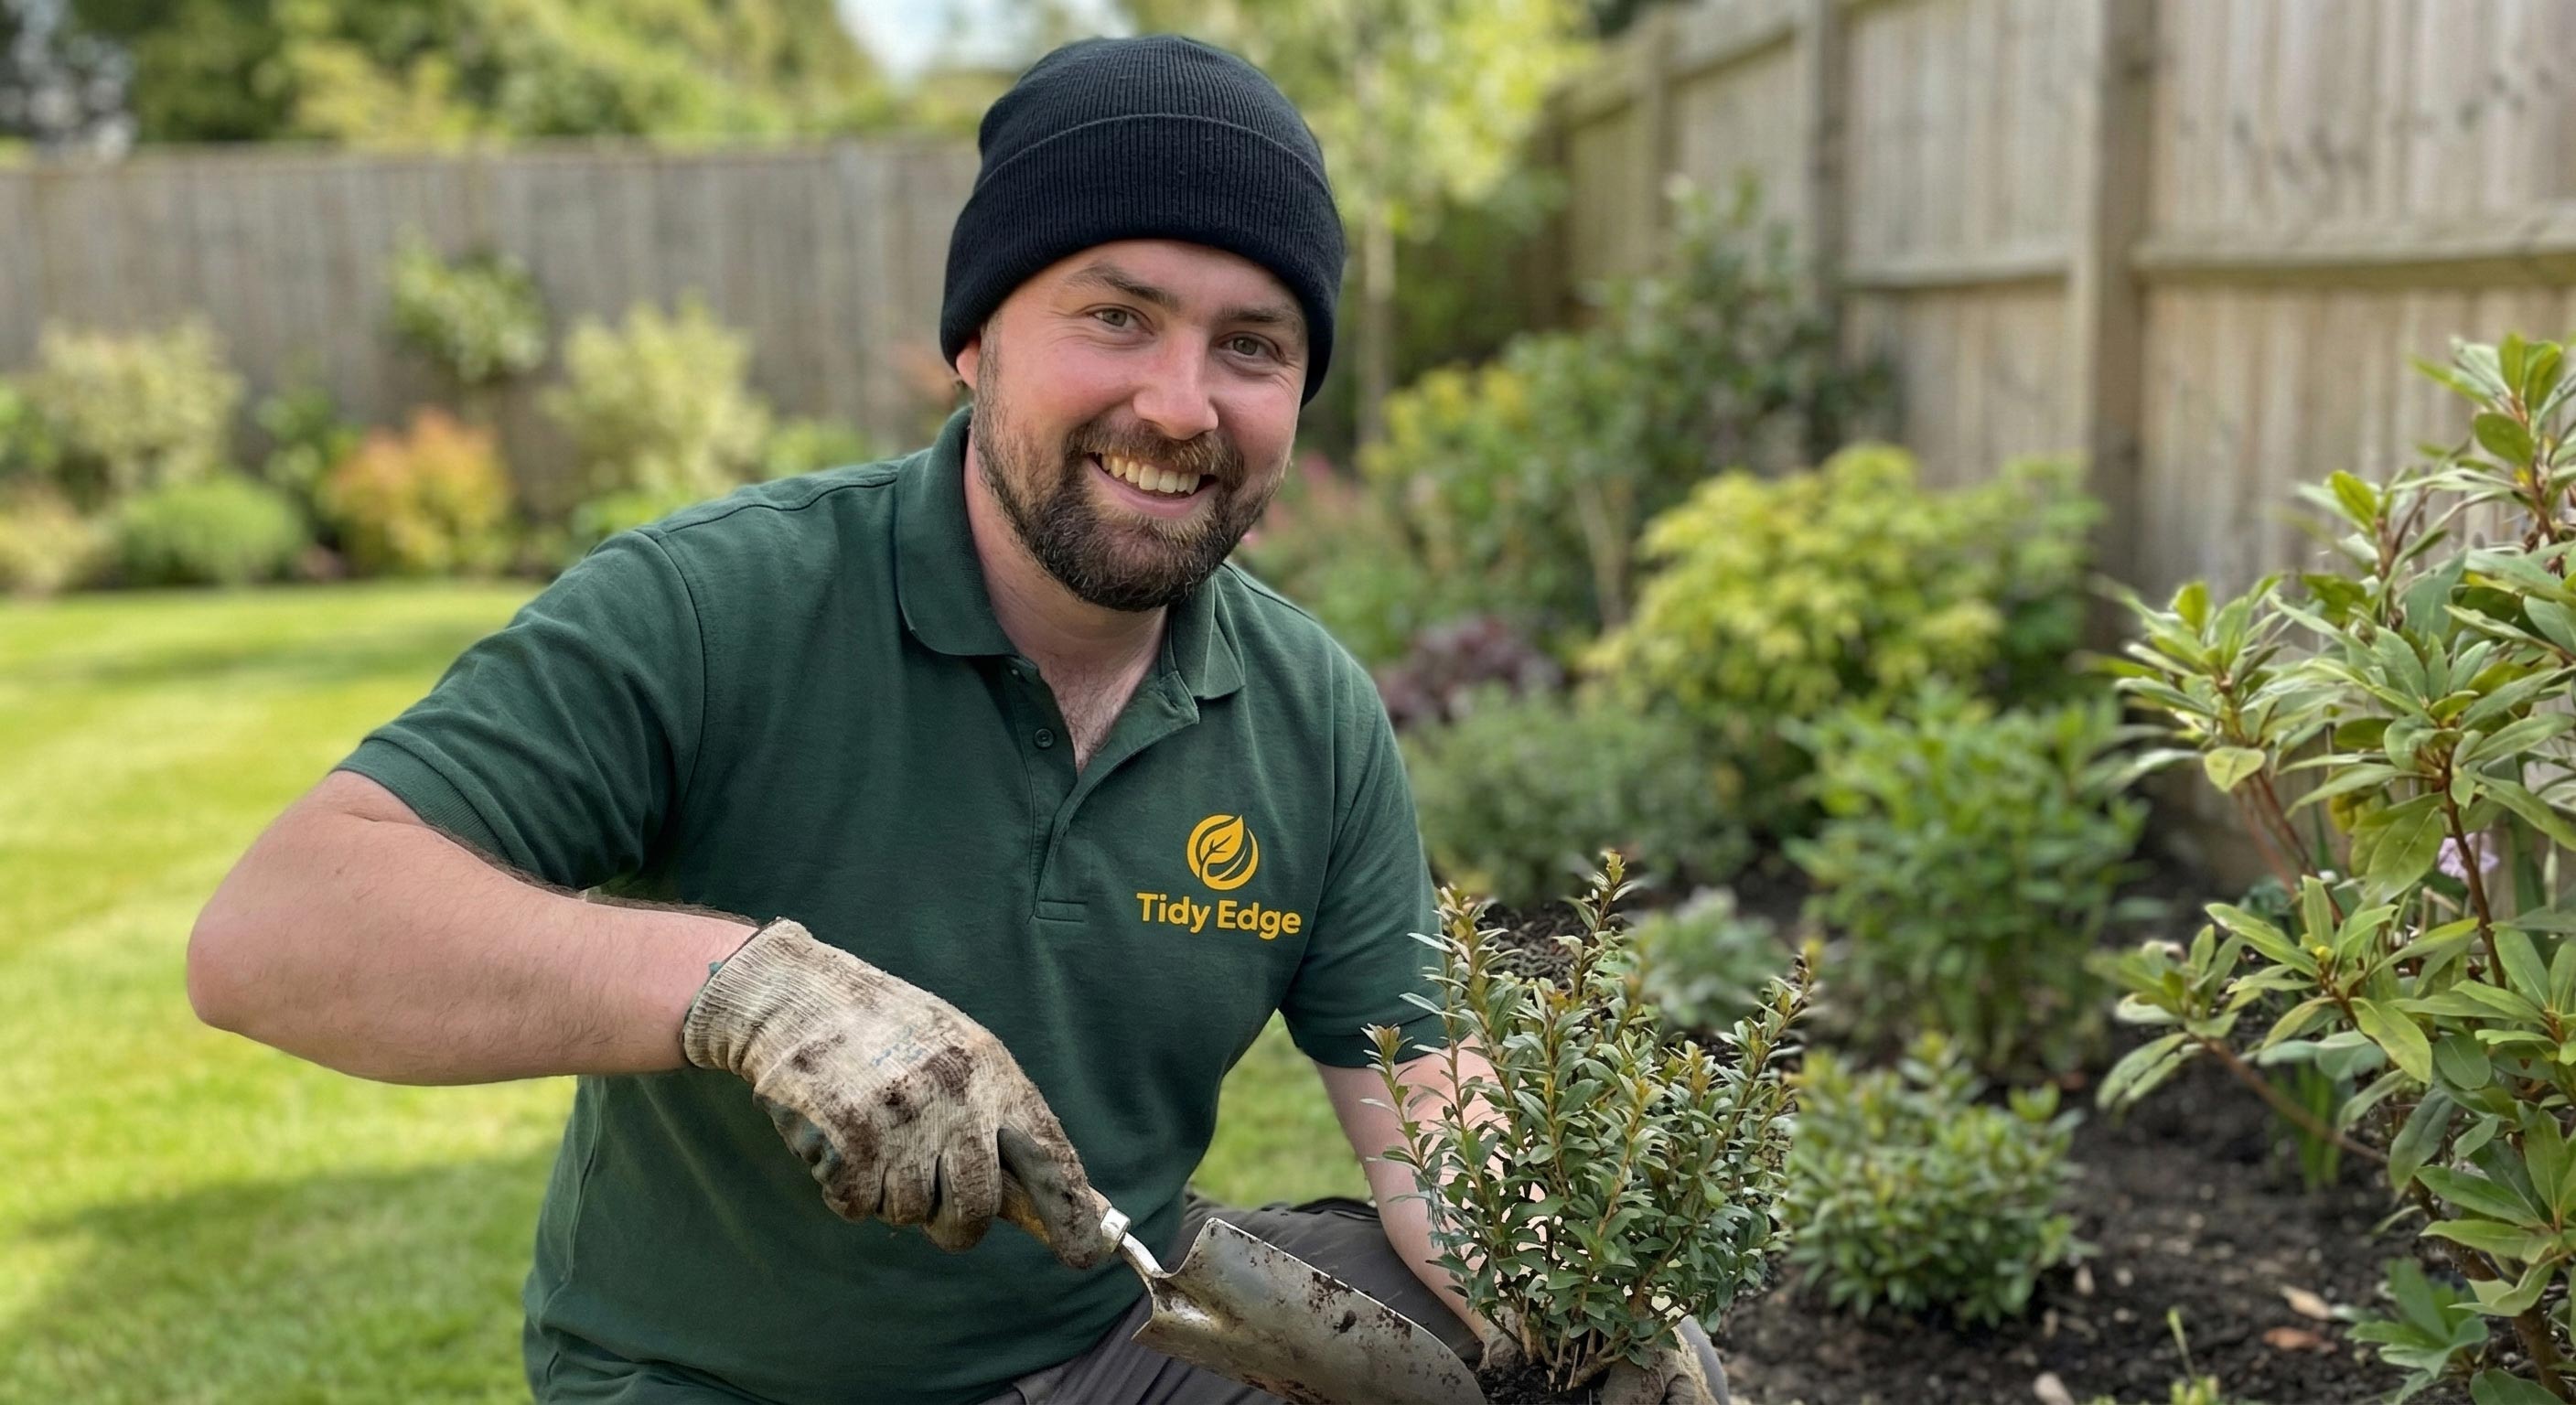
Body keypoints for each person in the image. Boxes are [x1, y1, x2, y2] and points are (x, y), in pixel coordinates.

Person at [186, 33, 1724, 1405]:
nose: (1184, 404)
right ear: (977, 339)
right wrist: (743, 992)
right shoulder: (724, 606)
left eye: (1252, 345)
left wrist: (1585, 1293)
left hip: (1112, 1348)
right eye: (1118, 316)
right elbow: (277, 932)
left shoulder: (1305, 707)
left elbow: (1431, 1097)